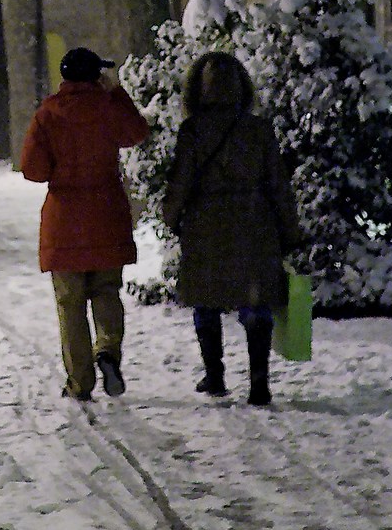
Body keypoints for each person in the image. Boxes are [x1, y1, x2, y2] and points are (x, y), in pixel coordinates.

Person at [162, 51, 299, 404]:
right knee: (256, 304)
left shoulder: (192, 131)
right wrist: (289, 229)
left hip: (206, 224)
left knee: (206, 301)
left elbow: (180, 181)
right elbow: (278, 183)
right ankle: (259, 382)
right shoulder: (258, 130)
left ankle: (215, 375)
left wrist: (171, 216)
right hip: (255, 222)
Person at [20, 47, 149, 401]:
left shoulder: (47, 114)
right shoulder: (107, 107)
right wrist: (115, 93)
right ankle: (107, 349)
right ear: (95, 76)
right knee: (107, 292)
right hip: (106, 214)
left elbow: (33, 170)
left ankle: (80, 381)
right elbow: (137, 132)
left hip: (64, 221)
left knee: (70, 304)